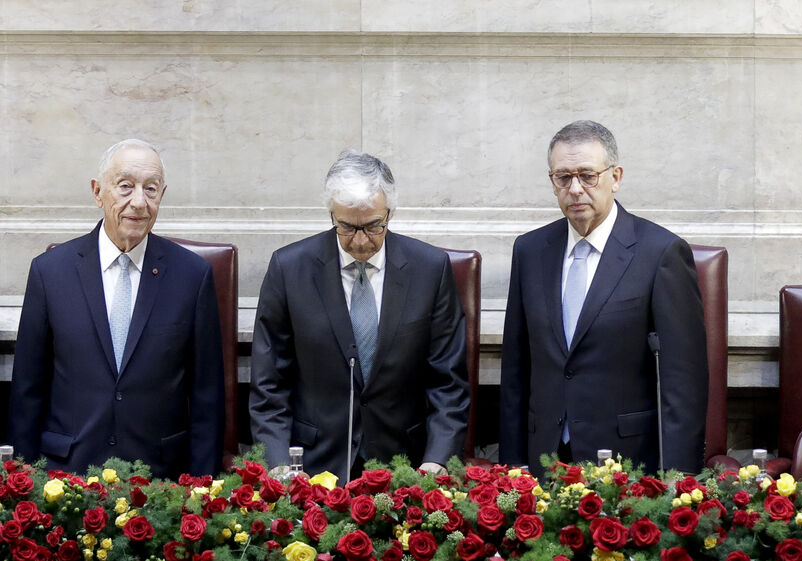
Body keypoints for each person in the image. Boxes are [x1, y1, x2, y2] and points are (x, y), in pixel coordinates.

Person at [499, 120, 708, 476]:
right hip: (545, 461)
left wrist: (678, 483)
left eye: (587, 175)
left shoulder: (661, 253)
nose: (575, 189)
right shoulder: (530, 250)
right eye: (563, 177)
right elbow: (516, 370)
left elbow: (683, 385)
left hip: (628, 466)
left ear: (616, 177)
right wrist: (513, 466)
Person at [8, 139, 225, 479]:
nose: (138, 202)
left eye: (150, 189)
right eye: (125, 186)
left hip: (160, 482)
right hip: (66, 478)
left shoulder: (192, 276)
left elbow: (206, 398)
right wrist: (22, 482)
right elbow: (27, 392)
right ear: (98, 192)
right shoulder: (50, 272)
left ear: (161, 196)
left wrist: (202, 489)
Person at [250, 149, 470, 482]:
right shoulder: (289, 268)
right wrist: (278, 465)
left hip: (405, 466)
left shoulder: (430, 270)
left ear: (390, 213)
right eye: (347, 228)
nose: (361, 241)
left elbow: (448, 382)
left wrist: (436, 460)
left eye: (372, 226)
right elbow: (269, 383)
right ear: (331, 214)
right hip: (311, 467)